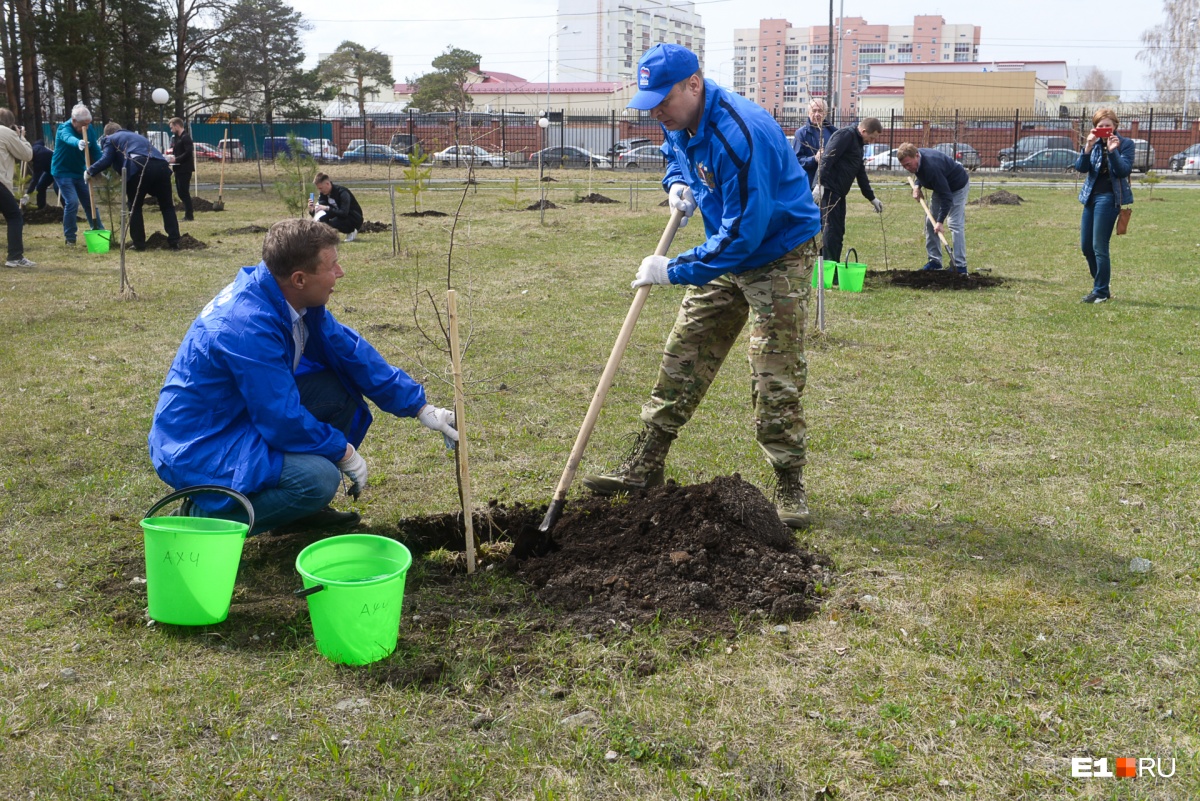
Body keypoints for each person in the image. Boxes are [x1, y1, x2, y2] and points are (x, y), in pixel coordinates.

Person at [579, 43, 823, 529]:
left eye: (662, 102)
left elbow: (745, 234)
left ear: (694, 84)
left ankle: (789, 480)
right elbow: (677, 155)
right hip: (727, 248)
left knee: (772, 368)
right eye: (650, 105)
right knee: (684, 349)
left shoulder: (739, 133)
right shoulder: (678, 120)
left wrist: (674, 269)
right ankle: (645, 463)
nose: (657, 114)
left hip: (777, 252)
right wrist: (676, 182)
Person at [148, 217, 460, 534]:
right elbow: (280, 418)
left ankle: (292, 514)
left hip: (236, 414)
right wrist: (343, 452)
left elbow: (350, 353)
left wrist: (419, 406)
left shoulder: (285, 297)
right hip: (200, 440)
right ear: (299, 279)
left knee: (336, 393)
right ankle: (204, 517)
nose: (340, 273)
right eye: (332, 266)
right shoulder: (247, 326)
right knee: (318, 479)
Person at [87, 123, 180, 251]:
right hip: (161, 165)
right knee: (167, 206)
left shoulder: (110, 139)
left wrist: (90, 171)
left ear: (107, 134)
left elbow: (106, 159)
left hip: (139, 166)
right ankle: (174, 241)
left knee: (135, 206)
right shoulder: (136, 136)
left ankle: (139, 244)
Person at [1073, 108, 1133, 304]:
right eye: (1100, 126)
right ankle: (1101, 286)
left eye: (1108, 126)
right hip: (1090, 197)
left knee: (1099, 246)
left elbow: (1123, 171)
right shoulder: (1095, 143)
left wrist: (1113, 150)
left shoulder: (1126, 144)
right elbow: (1081, 168)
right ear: (1095, 128)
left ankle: (1100, 291)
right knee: (1086, 247)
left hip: (1109, 198)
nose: (1105, 129)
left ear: (1115, 126)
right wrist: (1088, 146)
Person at [812, 117, 884, 264]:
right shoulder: (845, 136)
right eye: (872, 137)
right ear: (863, 131)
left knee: (838, 231)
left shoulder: (858, 143)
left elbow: (860, 172)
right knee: (830, 230)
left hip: (839, 193)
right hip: (829, 190)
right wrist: (820, 184)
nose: (872, 141)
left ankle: (834, 265)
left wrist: (871, 198)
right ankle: (827, 269)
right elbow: (827, 159)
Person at [897, 142, 970, 275]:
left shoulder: (932, 166)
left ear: (917, 156)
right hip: (940, 185)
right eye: (904, 166)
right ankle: (935, 261)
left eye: (908, 164)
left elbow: (946, 197)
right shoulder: (917, 160)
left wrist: (940, 222)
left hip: (957, 186)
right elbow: (919, 172)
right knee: (930, 222)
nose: (907, 168)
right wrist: (918, 186)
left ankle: (960, 266)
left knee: (954, 224)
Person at [50, 104, 103, 246]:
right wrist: (77, 142)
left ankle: (99, 231)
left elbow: (95, 150)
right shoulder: (64, 128)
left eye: (88, 124)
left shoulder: (89, 128)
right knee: (72, 202)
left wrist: (102, 166)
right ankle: (70, 237)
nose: (86, 127)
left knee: (89, 201)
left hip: (80, 171)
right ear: (74, 120)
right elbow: (67, 138)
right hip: (62, 171)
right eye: (83, 125)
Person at [0, 108, 35, 268]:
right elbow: (27, 155)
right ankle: (14, 256)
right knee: (14, 216)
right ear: (11, 123)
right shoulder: (6, 133)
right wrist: (21, 137)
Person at [792, 98, 836, 189]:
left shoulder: (832, 132)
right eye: (814, 111)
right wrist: (814, 159)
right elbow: (797, 161)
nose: (817, 114)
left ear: (825, 113)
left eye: (820, 111)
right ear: (809, 113)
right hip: (808, 183)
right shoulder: (801, 134)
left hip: (829, 183)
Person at [309, 172, 363, 241]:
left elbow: (344, 213)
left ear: (327, 184)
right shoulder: (323, 194)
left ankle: (351, 231)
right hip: (338, 215)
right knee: (321, 221)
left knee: (333, 222)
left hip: (353, 218)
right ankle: (323, 239)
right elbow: (320, 211)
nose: (320, 191)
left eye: (321, 188)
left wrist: (327, 208)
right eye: (318, 189)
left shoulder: (343, 193)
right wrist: (312, 210)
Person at [167, 117, 194, 221]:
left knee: (184, 192)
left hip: (185, 169)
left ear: (177, 125)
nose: (171, 130)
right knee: (181, 192)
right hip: (178, 168)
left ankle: (189, 215)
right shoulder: (178, 138)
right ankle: (188, 214)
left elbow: (188, 152)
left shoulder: (186, 137)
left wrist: (176, 159)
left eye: (171, 127)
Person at [26, 139, 57, 209]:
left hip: (59, 169)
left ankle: (68, 209)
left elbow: (34, 180)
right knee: (40, 187)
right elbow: (41, 142)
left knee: (57, 188)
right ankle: (41, 207)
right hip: (50, 171)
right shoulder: (35, 147)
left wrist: (27, 194)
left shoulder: (38, 161)